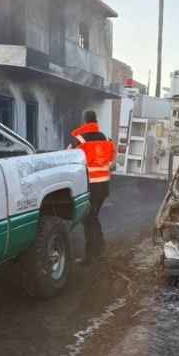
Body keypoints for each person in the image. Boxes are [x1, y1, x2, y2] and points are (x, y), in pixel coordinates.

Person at [70, 110, 116, 263]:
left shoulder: (80, 140)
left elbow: (68, 158)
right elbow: (112, 161)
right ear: (95, 121)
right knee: (93, 217)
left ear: (84, 122)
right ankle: (100, 250)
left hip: (89, 186)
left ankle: (90, 256)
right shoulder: (106, 138)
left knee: (89, 219)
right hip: (104, 186)